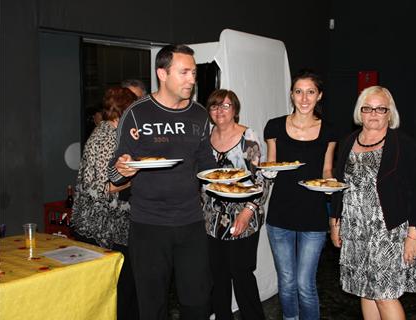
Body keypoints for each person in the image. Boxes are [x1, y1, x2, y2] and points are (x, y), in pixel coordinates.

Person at [108, 44, 216, 320]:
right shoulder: (137, 113)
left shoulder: (199, 115)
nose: (192, 79)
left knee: (197, 301)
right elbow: (115, 173)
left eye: (193, 72)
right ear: (162, 74)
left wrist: (227, 181)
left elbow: (206, 164)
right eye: (184, 72)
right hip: (148, 226)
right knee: (152, 305)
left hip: (191, 222)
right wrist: (124, 170)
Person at [330, 85, 416, 320]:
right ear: (359, 112)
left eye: (380, 109)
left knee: (385, 294)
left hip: (389, 233)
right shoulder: (347, 142)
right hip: (355, 230)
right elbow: (337, 184)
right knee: (365, 289)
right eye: (368, 108)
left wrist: (414, 235)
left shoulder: (404, 145)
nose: (373, 113)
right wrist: (335, 222)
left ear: (389, 113)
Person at [263, 69, 338, 319]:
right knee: (286, 282)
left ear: (319, 96)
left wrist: (330, 184)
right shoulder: (274, 126)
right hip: (280, 214)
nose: (304, 98)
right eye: (298, 92)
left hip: (313, 215)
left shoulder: (328, 130)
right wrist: (267, 173)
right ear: (291, 95)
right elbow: (271, 163)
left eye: (310, 92)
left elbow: (327, 168)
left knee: (305, 284)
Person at [202, 89, 271, 320]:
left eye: (225, 106)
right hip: (211, 219)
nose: (219, 111)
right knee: (218, 276)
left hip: (243, 215)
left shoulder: (247, 137)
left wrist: (246, 213)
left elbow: (261, 179)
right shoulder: (207, 136)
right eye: (214, 106)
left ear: (235, 110)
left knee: (241, 274)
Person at [71, 86, 139, 320]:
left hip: (98, 226)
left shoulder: (103, 131)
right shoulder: (108, 137)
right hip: (104, 229)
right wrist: (140, 176)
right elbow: (105, 187)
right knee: (119, 289)